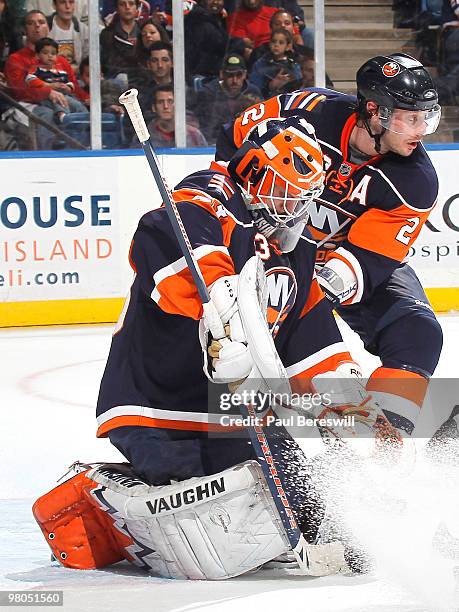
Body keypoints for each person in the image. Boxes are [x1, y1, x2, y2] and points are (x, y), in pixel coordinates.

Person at [216, 53, 443, 438]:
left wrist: (308, 295)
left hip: (333, 262)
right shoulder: (306, 111)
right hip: (266, 245)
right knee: (232, 345)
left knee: (418, 335)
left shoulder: (416, 181)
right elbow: (232, 145)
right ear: (375, 111)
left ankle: (376, 443)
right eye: (411, 117)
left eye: (427, 117)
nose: (421, 130)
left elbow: (367, 260)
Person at [194, 53, 262, 144]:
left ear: (245, 74)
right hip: (216, 144)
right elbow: (206, 129)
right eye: (230, 75)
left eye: (239, 75)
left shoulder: (253, 91)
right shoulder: (208, 93)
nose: (235, 80)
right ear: (222, 74)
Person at [25, 37, 88, 121]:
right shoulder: (36, 68)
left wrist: (68, 87)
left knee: (77, 104)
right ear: (37, 55)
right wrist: (49, 85)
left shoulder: (60, 70)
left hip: (64, 94)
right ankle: (64, 117)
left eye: (53, 53)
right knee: (58, 100)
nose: (50, 56)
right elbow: (30, 79)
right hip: (46, 96)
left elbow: (69, 82)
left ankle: (87, 120)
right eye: (45, 53)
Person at [145, 83, 207, 147]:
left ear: (178, 105)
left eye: (170, 101)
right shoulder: (144, 137)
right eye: (160, 102)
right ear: (154, 108)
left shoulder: (194, 136)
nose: (166, 106)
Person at [248, 27, 301, 97]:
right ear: (269, 43)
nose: (276, 45)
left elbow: (299, 85)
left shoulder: (293, 64)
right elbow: (254, 88)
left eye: (281, 43)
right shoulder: (261, 63)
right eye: (274, 41)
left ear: (288, 46)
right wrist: (270, 86)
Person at [99, 0, 142, 83]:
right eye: (122, 4)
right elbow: (107, 64)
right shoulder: (107, 34)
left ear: (137, 8)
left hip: (141, 80)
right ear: (117, 9)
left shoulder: (144, 31)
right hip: (115, 81)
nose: (127, 7)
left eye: (131, 4)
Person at [47, 0, 89, 70]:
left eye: (71, 2)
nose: (68, 6)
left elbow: (87, 63)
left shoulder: (83, 30)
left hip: (77, 77)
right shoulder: (46, 28)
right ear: (54, 5)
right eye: (62, 2)